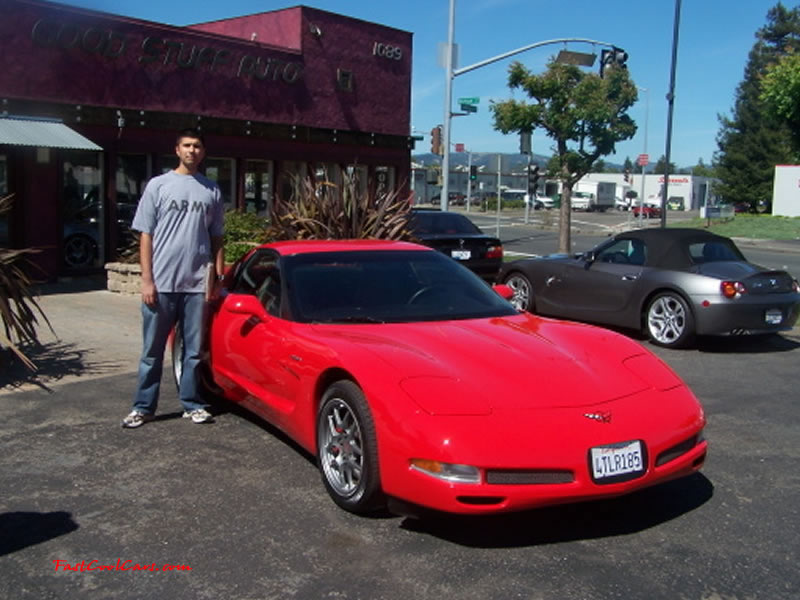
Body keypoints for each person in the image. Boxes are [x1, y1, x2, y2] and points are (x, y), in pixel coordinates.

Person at [121, 128, 225, 428]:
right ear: (177, 150)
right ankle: (143, 407)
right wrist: (147, 280)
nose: (192, 150)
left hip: (196, 285)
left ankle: (192, 404)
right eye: (187, 145)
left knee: (193, 352)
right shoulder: (159, 186)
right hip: (162, 284)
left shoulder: (211, 190)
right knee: (151, 353)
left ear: (203, 152)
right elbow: (146, 235)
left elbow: (217, 238)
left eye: (197, 146)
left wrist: (218, 277)